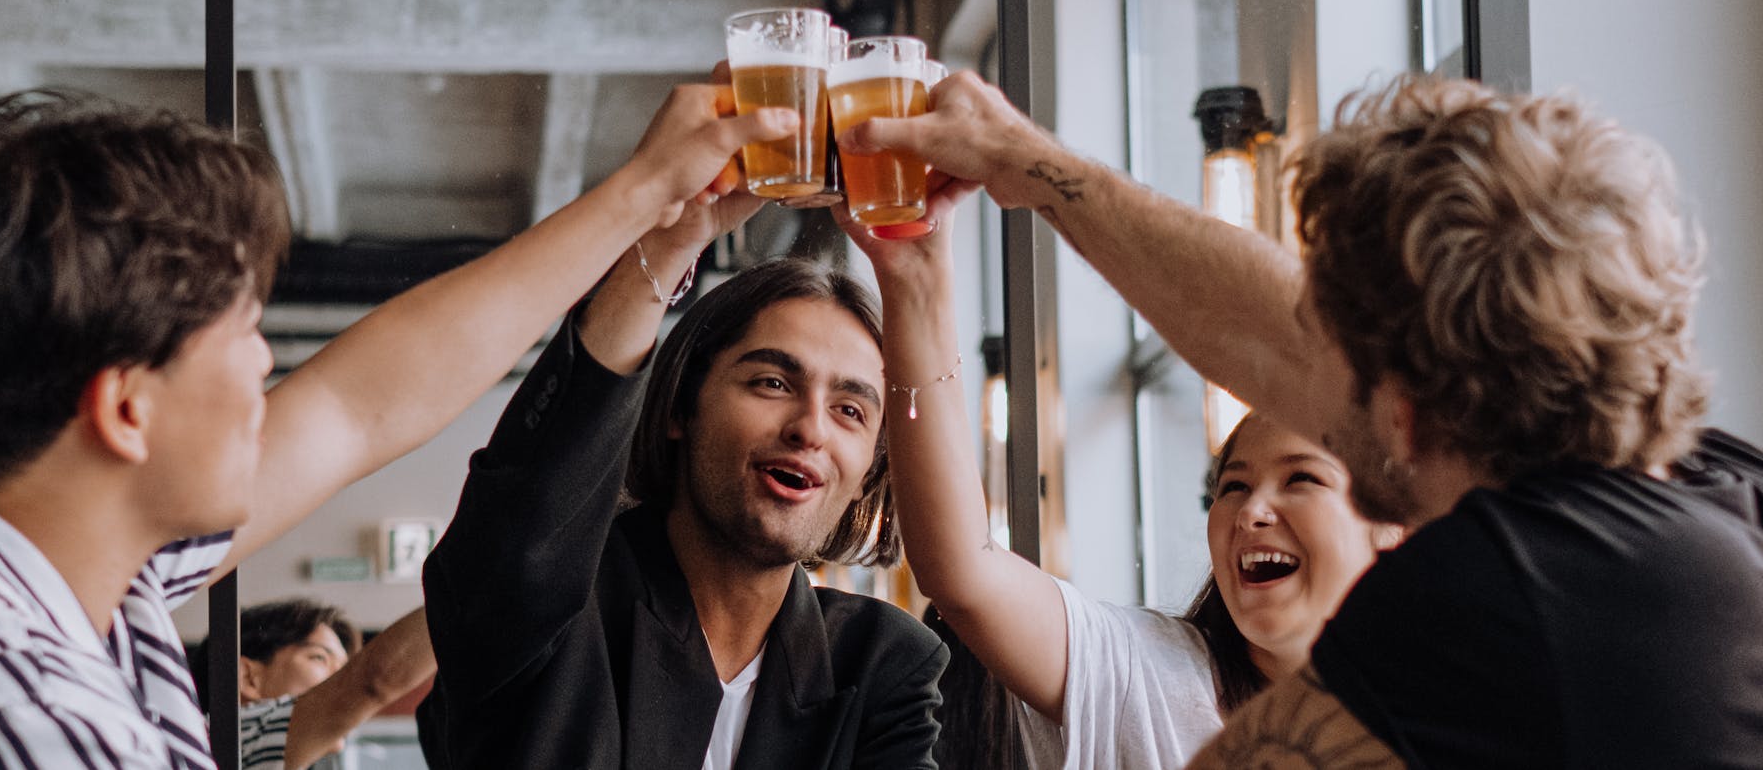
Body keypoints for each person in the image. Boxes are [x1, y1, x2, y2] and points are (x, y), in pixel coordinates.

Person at [841, 72, 1763, 768]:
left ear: (1401, 409)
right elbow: (1266, 326)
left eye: (1339, 349)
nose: (1307, 377)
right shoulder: (1714, 492)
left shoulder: (1498, 589)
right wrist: (1024, 165)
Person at [0, 83, 789, 768]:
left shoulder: (45, 560)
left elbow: (358, 404)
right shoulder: (20, 726)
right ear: (126, 410)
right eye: (242, 333)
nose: (266, 367)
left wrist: (652, 207)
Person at [836, 191, 1399, 770]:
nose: (1252, 510)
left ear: (1392, 525)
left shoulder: (1457, 713)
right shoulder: (1148, 676)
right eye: (1233, 485)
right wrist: (916, 279)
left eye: (1301, 478)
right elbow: (962, 571)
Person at [416, 230, 950, 769]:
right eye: (772, 383)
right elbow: (524, 529)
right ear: (680, 408)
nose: (811, 429)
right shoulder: (565, 615)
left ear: (867, 473)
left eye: (850, 411)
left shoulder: (883, 662)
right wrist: (667, 246)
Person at [228, 599, 434, 770]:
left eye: (345, 669)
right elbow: (375, 680)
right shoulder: (237, 734)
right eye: (320, 658)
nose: (341, 679)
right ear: (247, 677)